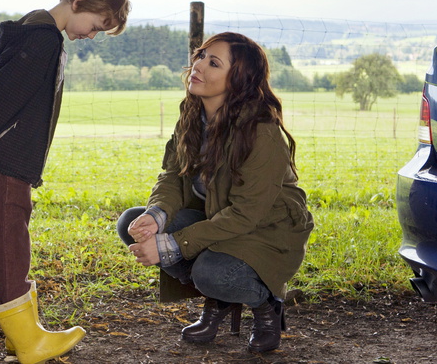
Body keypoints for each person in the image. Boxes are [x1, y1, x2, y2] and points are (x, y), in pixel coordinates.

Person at [0, 0, 130, 364]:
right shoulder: (44, 41)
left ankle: (20, 334)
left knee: (1, 238)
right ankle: (29, 341)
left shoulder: (34, 30)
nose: (92, 35)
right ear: (77, 2)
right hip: (7, 155)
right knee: (11, 238)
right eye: (96, 24)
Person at [117, 32, 313, 354]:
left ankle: (266, 304)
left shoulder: (261, 132)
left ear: (237, 80)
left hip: (265, 231)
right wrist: (157, 216)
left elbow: (246, 215)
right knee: (132, 222)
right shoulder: (194, 114)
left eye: (214, 63)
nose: (198, 66)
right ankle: (219, 298)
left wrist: (171, 245)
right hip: (217, 217)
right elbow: (172, 175)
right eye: (200, 55)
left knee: (210, 272)